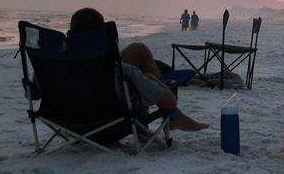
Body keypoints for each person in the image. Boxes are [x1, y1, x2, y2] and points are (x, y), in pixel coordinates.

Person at [68, 8, 208, 132]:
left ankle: (172, 118)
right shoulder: (123, 70)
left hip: (69, 119)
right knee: (142, 59)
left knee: (138, 50)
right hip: (106, 117)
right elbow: (169, 101)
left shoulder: (58, 67)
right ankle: (173, 116)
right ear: (101, 36)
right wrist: (149, 78)